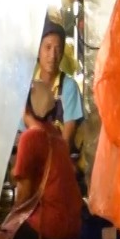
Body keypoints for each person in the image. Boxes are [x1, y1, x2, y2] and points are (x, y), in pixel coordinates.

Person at [4, 81, 84, 239]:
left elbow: (24, 196)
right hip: (74, 222)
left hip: (53, 223)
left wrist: (6, 221)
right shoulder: (57, 137)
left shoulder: (31, 137)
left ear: (25, 107)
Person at [26, 19, 84, 149]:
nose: (52, 55)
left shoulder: (69, 87)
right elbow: (20, 136)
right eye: (47, 47)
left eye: (57, 49)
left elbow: (66, 142)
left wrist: (29, 120)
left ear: (62, 53)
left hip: (59, 159)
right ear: (38, 51)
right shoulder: (27, 87)